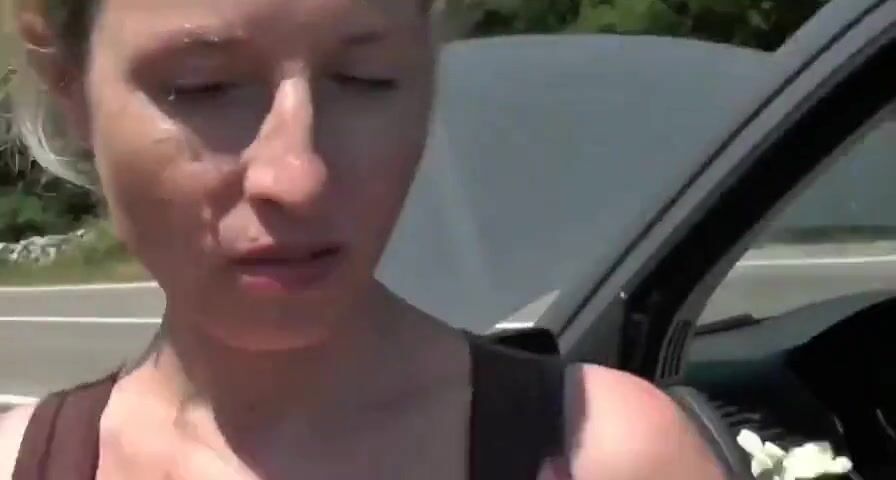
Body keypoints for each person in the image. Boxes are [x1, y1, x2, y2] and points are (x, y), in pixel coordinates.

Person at [0, 1, 727, 479]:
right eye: (203, 87)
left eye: (365, 79)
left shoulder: (607, 457)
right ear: (70, 88)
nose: (297, 176)